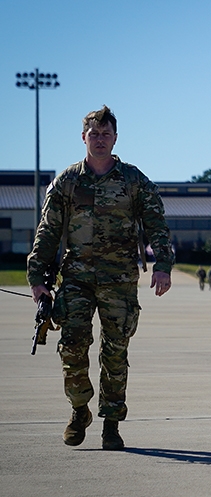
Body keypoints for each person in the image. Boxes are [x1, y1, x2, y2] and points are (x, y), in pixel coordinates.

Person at [26, 105, 174, 451]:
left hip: (119, 279)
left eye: (106, 134)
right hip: (76, 277)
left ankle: (111, 423)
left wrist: (163, 264)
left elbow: (156, 225)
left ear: (115, 138)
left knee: (115, 351)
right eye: (94, 133)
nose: (100, 139)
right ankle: (79, 411)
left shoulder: (134, 180)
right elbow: (47, 231)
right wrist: (37, 277)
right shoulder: (67, 181)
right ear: (84, 138)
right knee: (72, 347)